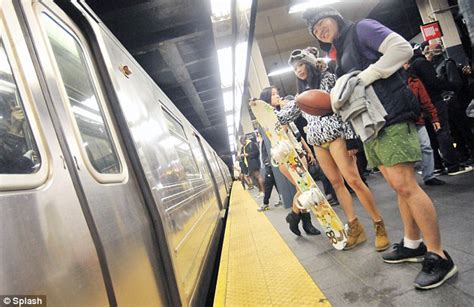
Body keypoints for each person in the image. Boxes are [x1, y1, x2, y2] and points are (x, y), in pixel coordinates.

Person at [303, 6, 457, 289]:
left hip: (392, 114)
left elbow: (401, 48)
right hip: (372, 123)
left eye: (321, 22)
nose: (319, 30)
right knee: (398, 185)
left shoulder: (361, 29)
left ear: (335, 17)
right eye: (314, 29)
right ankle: (413, 243)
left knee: (406, 184)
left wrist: (365, 76)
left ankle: (439, 255)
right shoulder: (340, 52)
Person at [277, 48, 390, 251]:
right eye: (295, 68)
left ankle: (378, 224)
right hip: (317, 140)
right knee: (337, 184)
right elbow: (289, 113)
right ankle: (355, 227)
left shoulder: (328, 79)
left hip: (336, 134)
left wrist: (351, 140)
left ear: (309, 63)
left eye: (301, 65)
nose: (298, 70)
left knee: (353, 180)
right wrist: (267, 113)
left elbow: (341, 107)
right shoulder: (300, 92)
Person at [257, 88, 321, 235]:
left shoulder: (282, 113)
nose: (277, 95)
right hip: (286, 158)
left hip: (299, 152)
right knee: (304, 189)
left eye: (277, 92)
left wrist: (308, 150)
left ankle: (304, 223)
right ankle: (294, 217)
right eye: (273, 94)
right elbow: (282, 133)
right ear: (266, 99)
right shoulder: (269, 118)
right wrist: (287, 109)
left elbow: (297, 134)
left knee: (303, 189)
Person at [403, 61, 445, 186]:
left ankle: (429, 176)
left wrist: (434, 118)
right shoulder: (391, 82)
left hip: (417, 119)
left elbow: (426, 100)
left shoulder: (415, 81)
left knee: (426, 147)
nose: (406, 65)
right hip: (402, 121)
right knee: (408, 152)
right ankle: (409, 180)